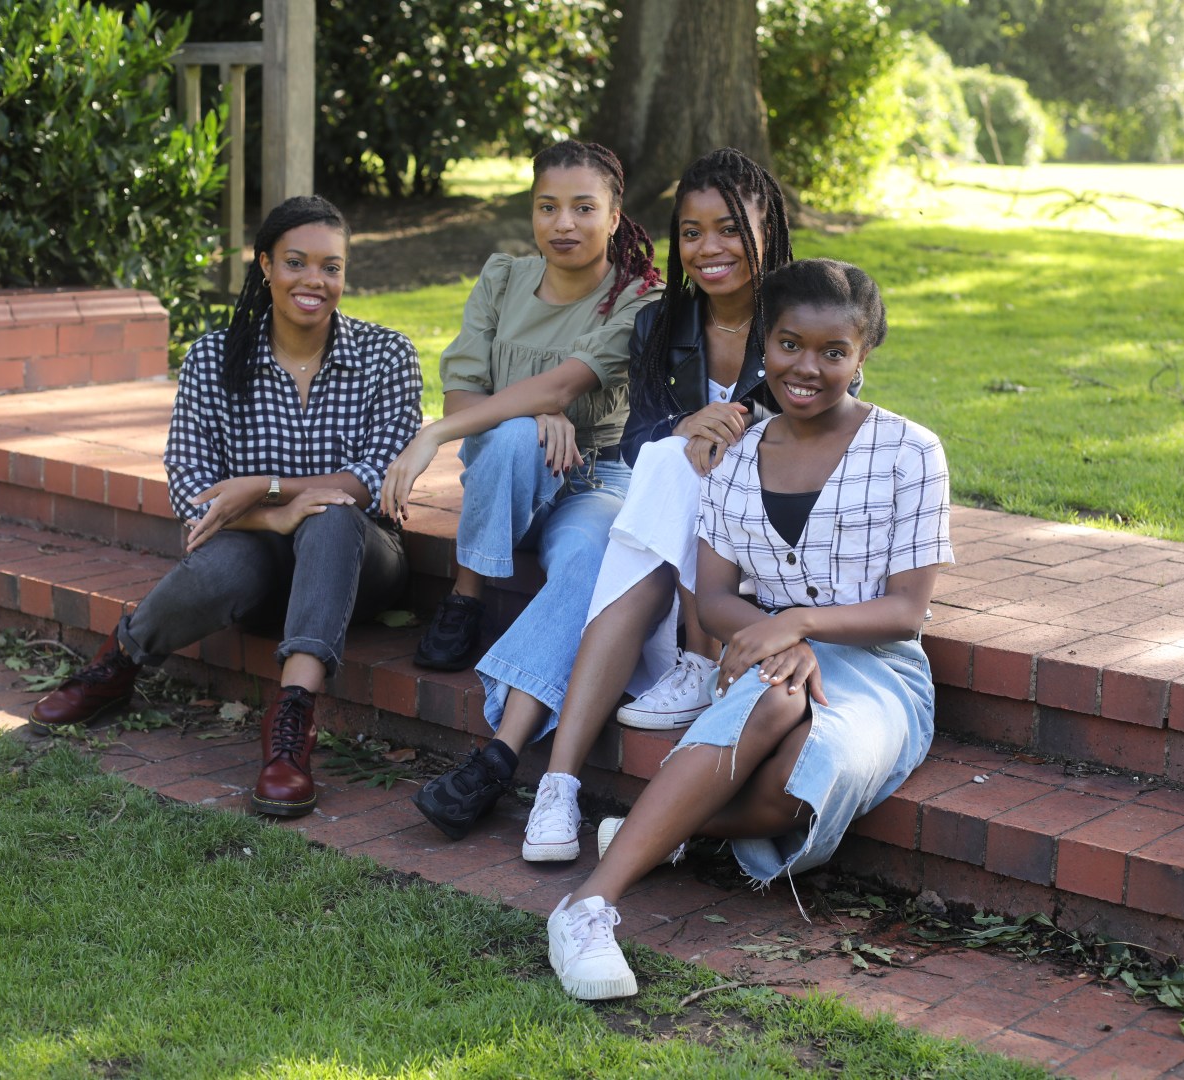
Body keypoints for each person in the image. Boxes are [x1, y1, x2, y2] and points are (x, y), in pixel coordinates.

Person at [545, 259, 953, 1000]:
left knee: (804, 779)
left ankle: (667, 829)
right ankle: (587, 907)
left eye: (835, 352)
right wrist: (782, 639)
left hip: (881, 668)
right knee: (772, 700)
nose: (808, 367)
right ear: (765, 341)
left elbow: (906, 611)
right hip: (768, 656)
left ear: (863, 356)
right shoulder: (733, 459)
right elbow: (712, 599)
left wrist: (795, 622)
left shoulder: (909, 452)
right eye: (791, 344)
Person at [28, 196, 422, 820]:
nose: (314, 281)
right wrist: (272, 517)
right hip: (258, 554)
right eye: (296, 262)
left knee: (334, 513)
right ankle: (118, 666)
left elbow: (373, 480)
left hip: (361, 562)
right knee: (224, 563)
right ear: (265, 264)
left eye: (332, 267)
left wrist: (264, 487)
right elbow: (190, 485)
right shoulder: (213, 358)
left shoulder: (386, 356)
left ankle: (291, 728)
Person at [516, 147, 798, 863]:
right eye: (693, 231)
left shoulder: (805, 314)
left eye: (730, 228)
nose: (709, 249)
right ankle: (559, 791)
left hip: (782, 530)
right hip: (679, 535)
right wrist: (683, 428)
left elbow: (833, 425)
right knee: (668, 465)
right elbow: (640, 437)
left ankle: (561, 776)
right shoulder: (660, 326)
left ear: (768, 228)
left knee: (668, 479)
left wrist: (739, 434)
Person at [378, 140, 663, 839]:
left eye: (582, 208)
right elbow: (464, 394)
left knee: (596, 566)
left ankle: (499, 757)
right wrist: (526, 415)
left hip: (594, 480)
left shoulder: (635, 297)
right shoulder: (504, 278)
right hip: (508, 479)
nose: (563, 223)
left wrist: (440, 437)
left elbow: (568, 385)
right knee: (508, 435)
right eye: (547, 207)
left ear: (614, 213)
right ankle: (468, 598)